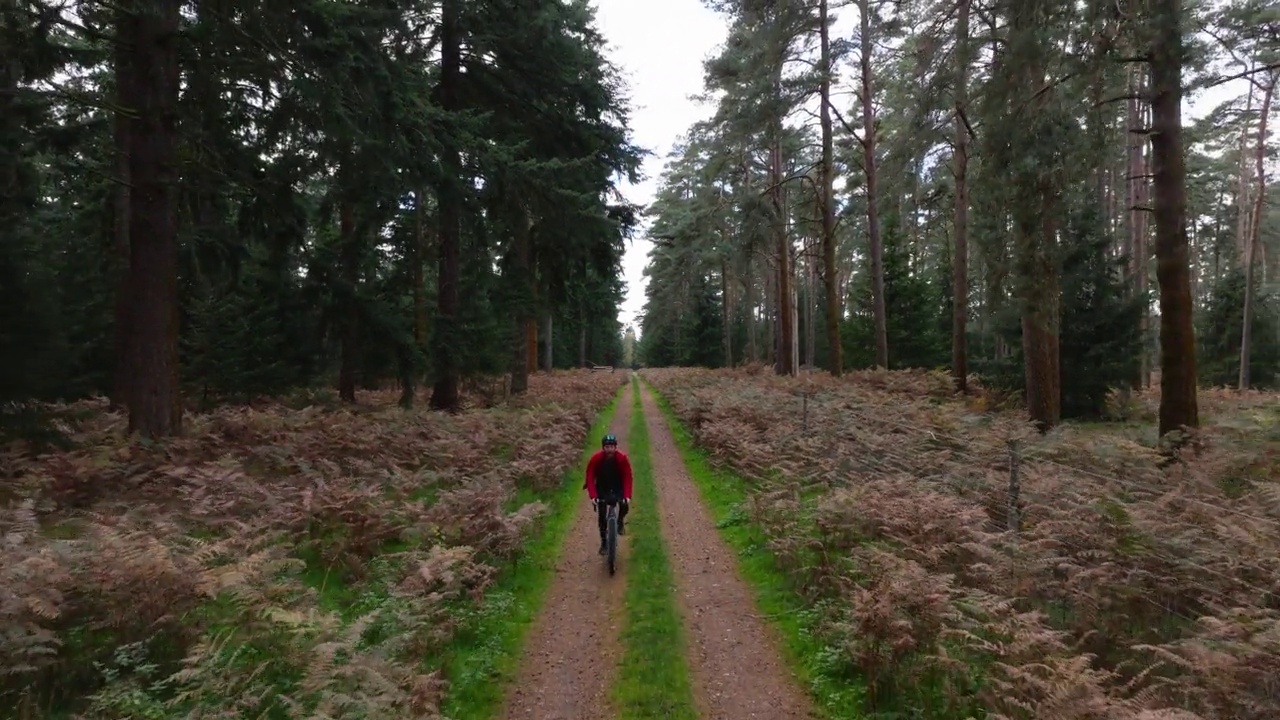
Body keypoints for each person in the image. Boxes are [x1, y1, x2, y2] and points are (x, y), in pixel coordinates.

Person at [584, 433, 633, 555]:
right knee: (602, 516)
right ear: (603, 448)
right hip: (602, 487)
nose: (609, 449)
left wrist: (627, 495)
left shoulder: (622, 458)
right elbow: (590, 477)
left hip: (618, 486)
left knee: (624, 505)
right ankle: (604, 542)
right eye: (607, 447)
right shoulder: (596, 459)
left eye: (612, 447)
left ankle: (620, 521)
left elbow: (627, 477)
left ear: (615, 447)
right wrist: (593, 496)